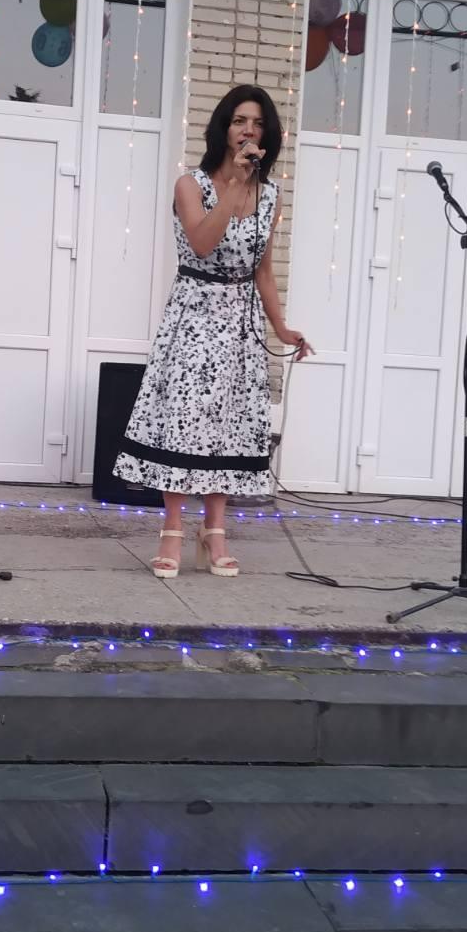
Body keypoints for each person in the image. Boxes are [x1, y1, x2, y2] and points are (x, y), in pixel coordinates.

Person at [114, 84, 313, 578]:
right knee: (183, 420)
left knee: (228, 424)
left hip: (240, 324)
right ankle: (173, 531)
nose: (249, 130)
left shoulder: (271, 196)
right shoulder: (191, 184)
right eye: (240, 121)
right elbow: (202, 242)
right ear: (224, 128)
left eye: (258, 123)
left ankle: (215, 530)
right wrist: (235, 187)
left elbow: (263, 270)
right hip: (195, 315)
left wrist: (281, 327)